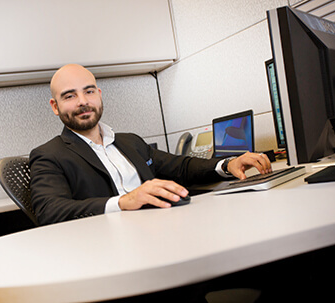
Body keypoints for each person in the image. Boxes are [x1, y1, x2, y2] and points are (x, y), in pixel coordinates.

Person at [30, 64, 271, 226]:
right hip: (111, 249)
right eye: (70, 96)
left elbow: (181, 167)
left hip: (164, 229)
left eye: (89, 91)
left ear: (99, 94)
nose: (83, 102)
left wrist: (228, 164)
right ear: (55, 106)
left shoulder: (130, 142)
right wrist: (123, 203)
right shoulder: (49, 155)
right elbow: (50, 210)